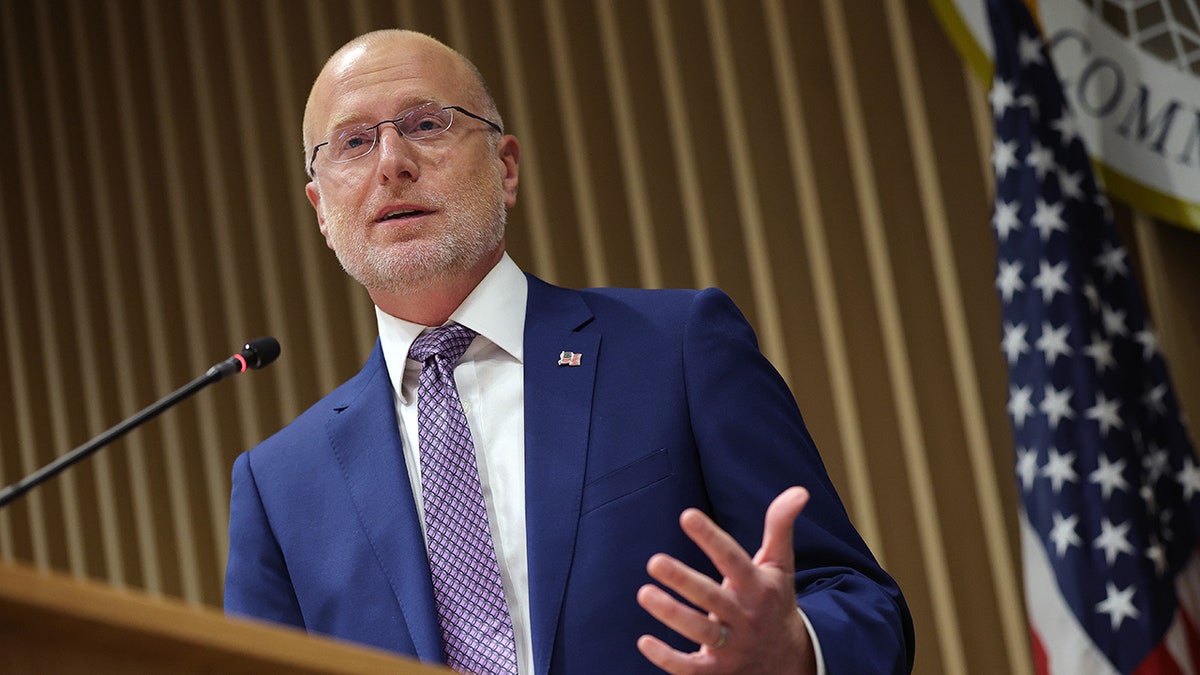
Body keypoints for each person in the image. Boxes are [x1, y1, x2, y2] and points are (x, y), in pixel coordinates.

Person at [224, 29, 914, 675]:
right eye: (353, 143)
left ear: (506, 166)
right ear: (321, 209)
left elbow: (856, 597)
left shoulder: (678, 349)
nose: (392, 163)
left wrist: (795, 648)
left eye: (427, 124)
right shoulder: (279, 486)